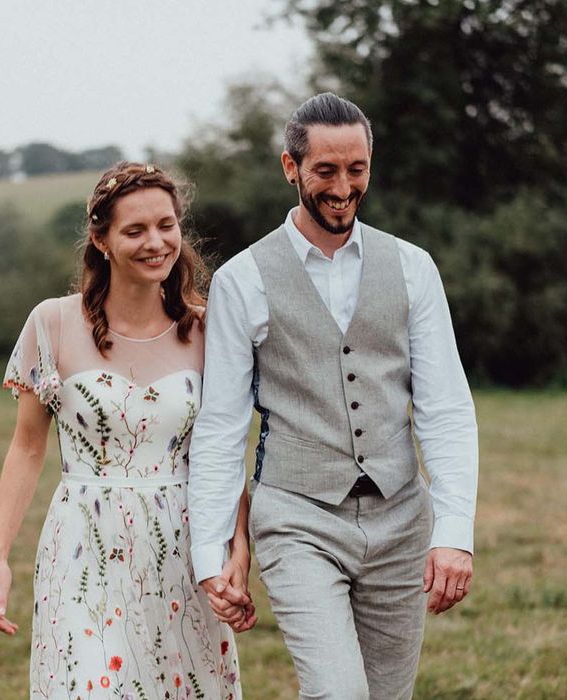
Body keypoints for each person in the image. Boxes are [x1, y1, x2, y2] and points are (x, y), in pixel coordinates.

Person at [188, 93, 479, 699]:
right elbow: (220, 426)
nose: (343, 187)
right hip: (297, 519)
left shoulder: (412, 267)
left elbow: (445, 407)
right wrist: (211, 551)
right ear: (290, 168)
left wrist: (452, 532)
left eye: (357, 169)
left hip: (401, 519)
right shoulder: (243, 280)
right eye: (325, 170)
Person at [0, 162, 252, 699]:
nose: (156, 242)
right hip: (82, 549)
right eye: (135, 230)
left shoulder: (208, 327)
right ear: (101, 240)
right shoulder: (51, 323)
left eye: (166, 225)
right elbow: (27, 446)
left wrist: (237, 549)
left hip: (184, 547)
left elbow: (222, 451)